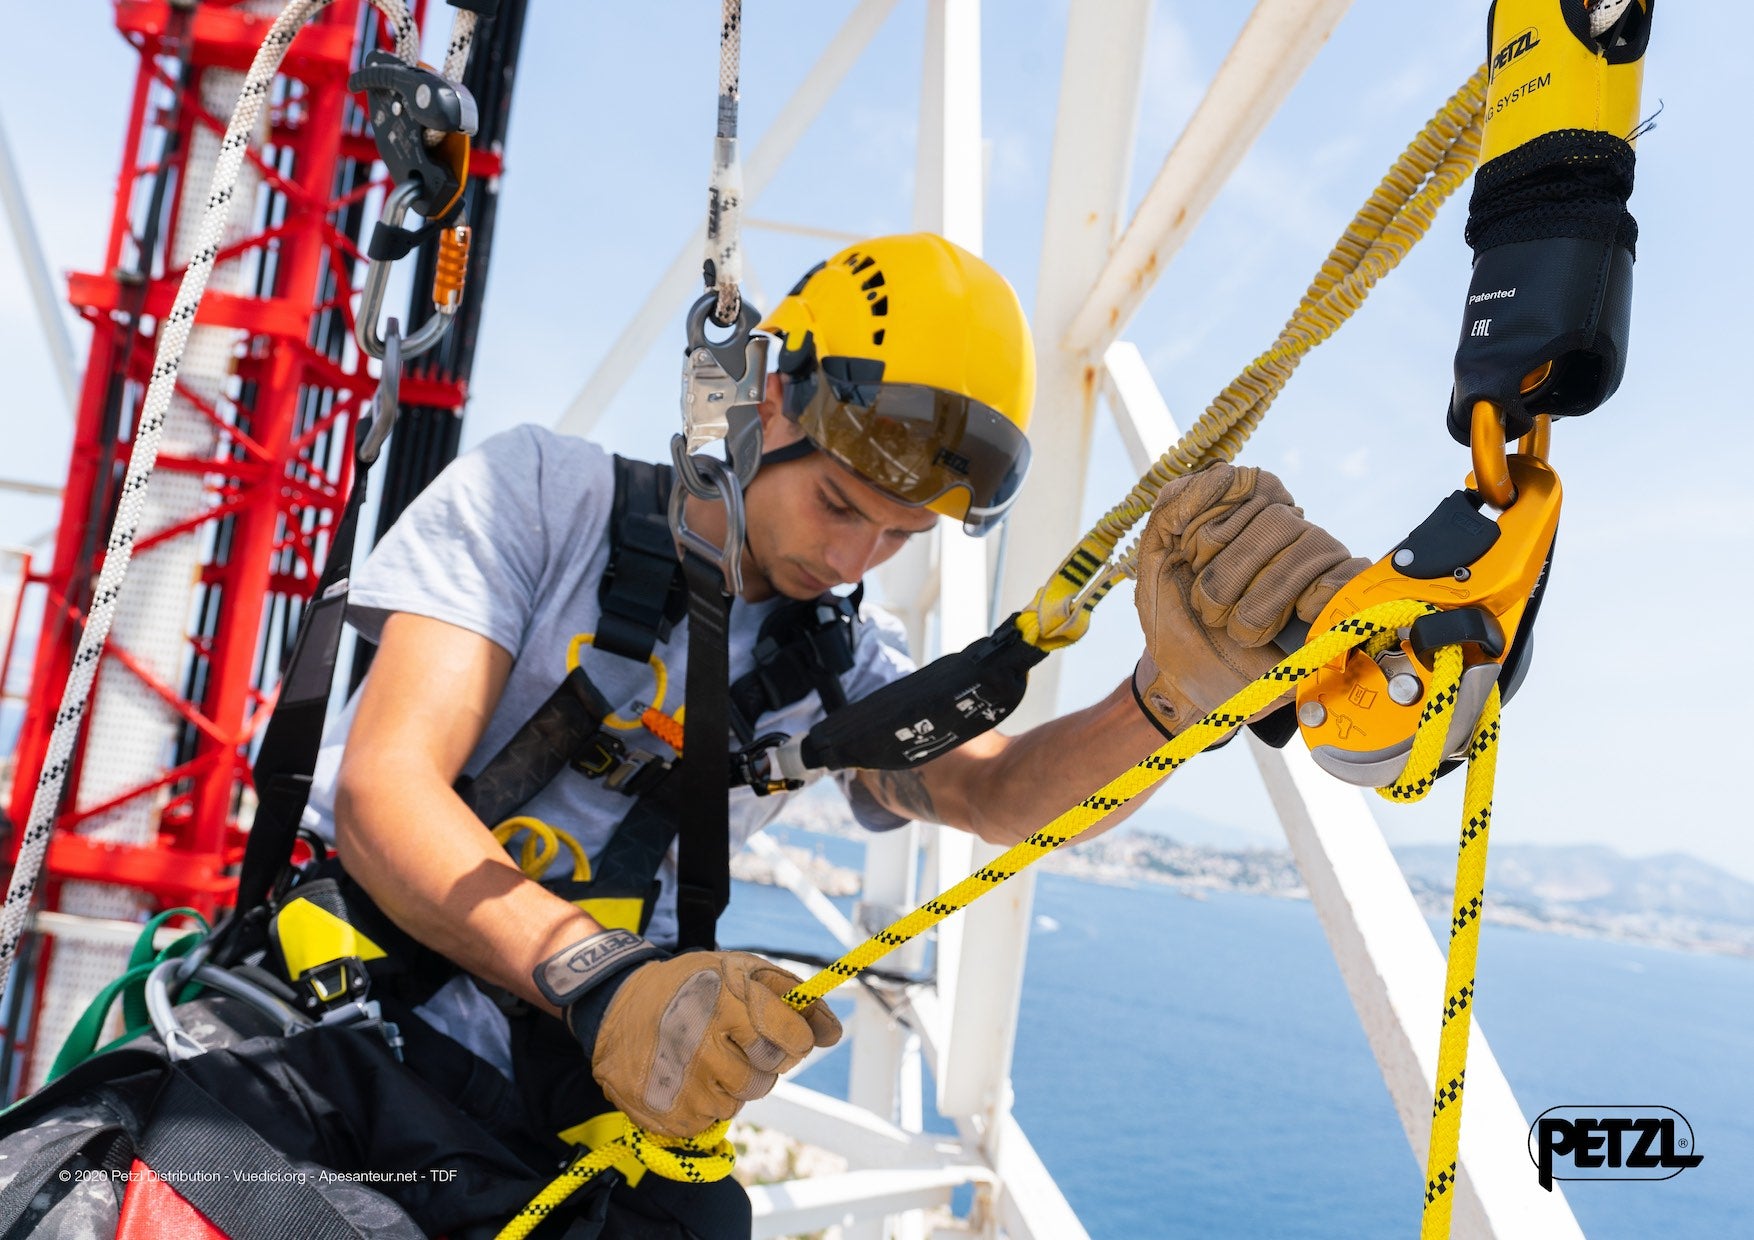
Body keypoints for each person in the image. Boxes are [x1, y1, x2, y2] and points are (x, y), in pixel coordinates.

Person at [302, 232, 1366, 1234]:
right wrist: (602, 976)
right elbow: (385, 789)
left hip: (570, 1102)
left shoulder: (834, 659)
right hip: (353, 1023)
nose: (856, 557)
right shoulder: (545, 494)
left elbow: (992, 790)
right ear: (768, 399)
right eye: (838, 503)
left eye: (900, 536)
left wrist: (1165, 702)